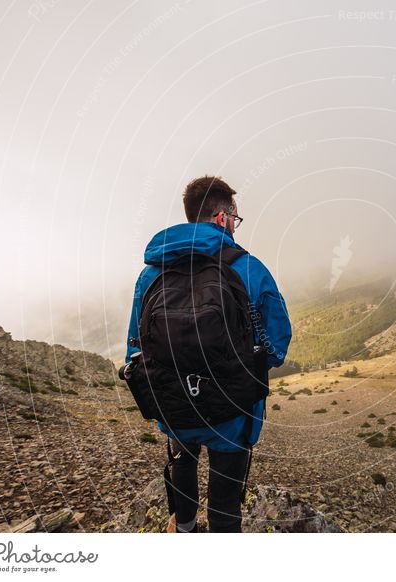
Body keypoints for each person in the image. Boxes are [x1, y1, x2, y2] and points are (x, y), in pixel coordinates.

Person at [124, 175, 292, 533]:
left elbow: (135, 344)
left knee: (182, 463)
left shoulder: (151, 273)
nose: (235, 225)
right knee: (226, 495)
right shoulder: (247, 266)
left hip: (173, 405)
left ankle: (184, 529)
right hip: (231, 409)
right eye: (236, 218)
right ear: (223, 217)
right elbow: (277, 344)